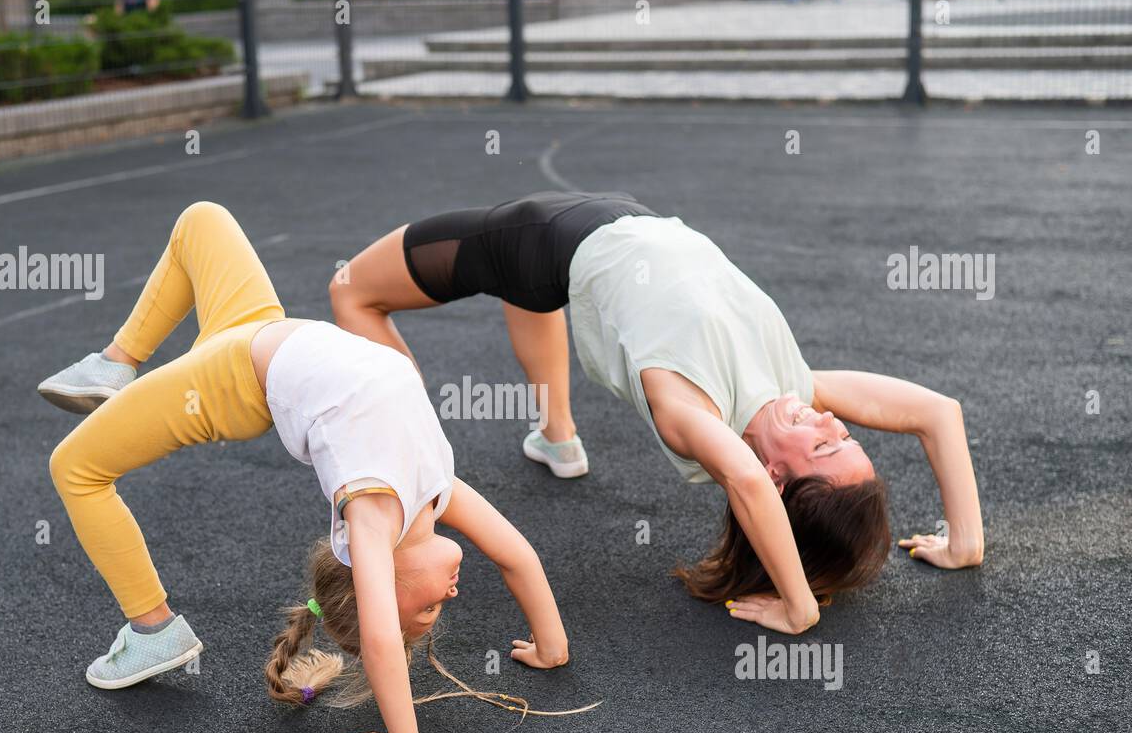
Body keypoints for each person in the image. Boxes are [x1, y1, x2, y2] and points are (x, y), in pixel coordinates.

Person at [39, 202, 570, 733]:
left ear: (384, 593)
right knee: (203, 218)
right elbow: (516, 555)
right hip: (260, 329)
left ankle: (153, 629)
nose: (452, 597)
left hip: (230, 381)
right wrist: (551, 647)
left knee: (74, 468)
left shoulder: (373, 514)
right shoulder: (432, 490)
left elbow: (382, 640)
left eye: (428, 612)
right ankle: (114, 364)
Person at [327, 191, 985, 635]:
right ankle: (558, 437)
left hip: (549, 237)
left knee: (352, 289)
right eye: (845, 434)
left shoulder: (689, 412)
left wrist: (799, 607)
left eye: (823, 446)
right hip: (610, 223)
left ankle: (416, 467)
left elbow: (745, 482)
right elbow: (938, 412)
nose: (830, 422)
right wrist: (964, 542)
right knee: (526, 289)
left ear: (778, 477)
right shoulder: (796, 389)